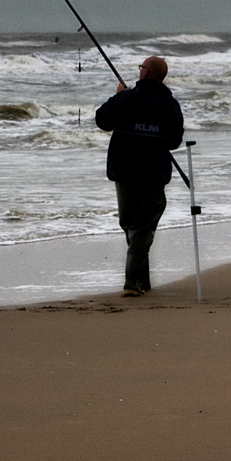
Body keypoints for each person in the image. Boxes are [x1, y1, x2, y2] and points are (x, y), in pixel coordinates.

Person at [95, 56, 184, 297]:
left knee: (132, 225)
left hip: (124, 170)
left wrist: (119, 96)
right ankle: (138, 281)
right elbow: (175, 140)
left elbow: (101, 120)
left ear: (146, 73)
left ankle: (132, 282)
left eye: (141, 67)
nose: (140, 70)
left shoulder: (126, 98)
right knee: (140, 227)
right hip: (153, 171)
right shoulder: (169, 104)